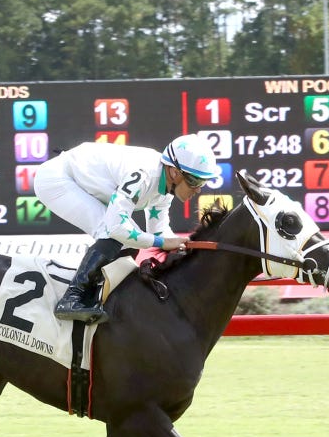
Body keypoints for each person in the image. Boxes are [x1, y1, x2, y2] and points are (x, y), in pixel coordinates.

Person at [33, 133, 221, 324]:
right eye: (195, 182)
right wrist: (162, 242)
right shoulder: (144, 175)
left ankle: (99, 298)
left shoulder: (165, 190)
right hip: (57, 179)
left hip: (77, 179)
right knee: (113, 233)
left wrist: (185, 246)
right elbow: (117, 229)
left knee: (130, 241)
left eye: (203, 183)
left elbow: (159, 232)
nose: (198, 189)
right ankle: (72, 298)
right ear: (174, 172)